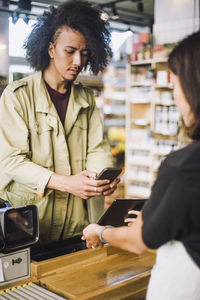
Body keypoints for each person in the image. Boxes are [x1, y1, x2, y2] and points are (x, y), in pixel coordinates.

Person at [83, 30, 200, 300]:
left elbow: (139, 242)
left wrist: (100, 231)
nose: (173, 95)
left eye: (174, 84)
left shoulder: (181, 166)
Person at [0, 0, 120, 244]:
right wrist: (66, 183)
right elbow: (10, 160)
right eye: (70, 51)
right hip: (30, 225)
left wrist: (98, 180)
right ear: (51, 48)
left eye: (85, 53)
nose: (78, 61)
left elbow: (97, 149)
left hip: (78, 224)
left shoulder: (86, 98)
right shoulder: (17, 96)